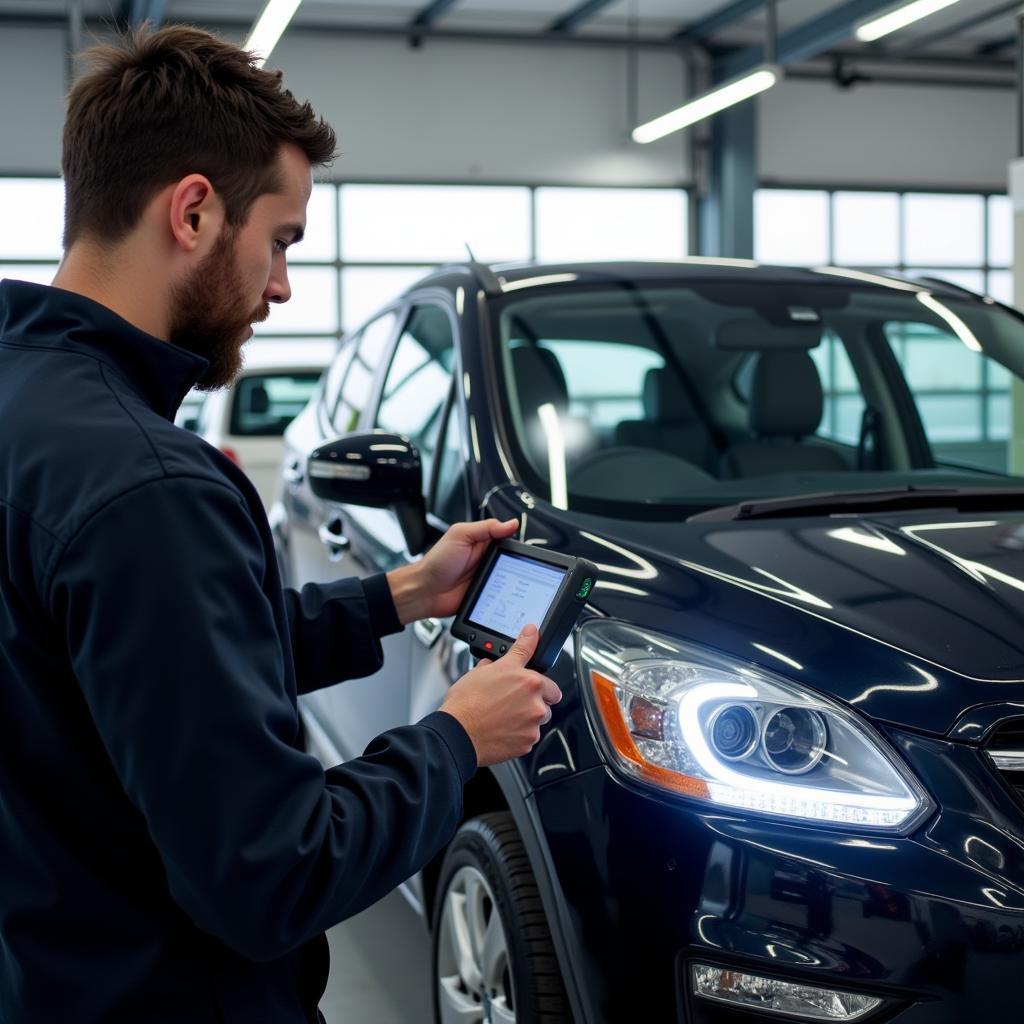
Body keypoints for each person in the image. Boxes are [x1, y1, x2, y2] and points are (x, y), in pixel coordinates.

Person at [0, 24, 561, 1024]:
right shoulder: (150, 487)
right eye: (283, 239)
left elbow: (153, 668)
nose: (284, 286)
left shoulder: (25, 404)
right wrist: (452, 738)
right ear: (194, 210)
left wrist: (399, 595)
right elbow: (273, 874)